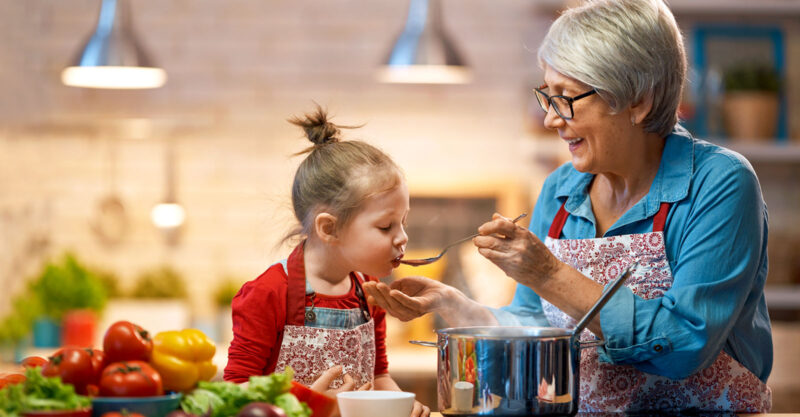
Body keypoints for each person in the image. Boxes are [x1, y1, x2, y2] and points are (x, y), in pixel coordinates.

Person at [363, 0, 772, 413]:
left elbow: (685, 344)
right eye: (548, 95)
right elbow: (534, 327)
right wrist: (453, 305)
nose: (550, 120)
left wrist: (549, 273)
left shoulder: (719, 183)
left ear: (639, 100)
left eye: (567, 98)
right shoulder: (561, 190)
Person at [224, 106, 430, 417]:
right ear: (329, 228)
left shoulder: (370, 292)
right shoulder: (268, 294)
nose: (402, 237)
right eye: (386, 226)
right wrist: (306, 402)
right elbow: (235, 392)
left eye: (403, 222)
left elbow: (378, 376)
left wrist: (403, 405)